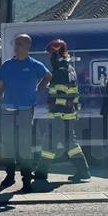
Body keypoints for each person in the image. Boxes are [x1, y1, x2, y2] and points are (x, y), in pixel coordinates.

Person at [0, 33, 51, 193]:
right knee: (8, 144)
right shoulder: (7, 65)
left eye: (20, 44)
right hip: (7, 109)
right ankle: (9, 176)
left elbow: (48, 76)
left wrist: (39, 87)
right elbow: (0, 87)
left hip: (26, 109)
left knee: (24, 145)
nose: (16, 47)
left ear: (28, 47)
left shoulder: (34, 64)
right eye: (15, 44)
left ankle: (26, 180)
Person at [35, 38, 91, 183]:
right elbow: (70, 93)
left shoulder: (59, 70)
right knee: (70, 144)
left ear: (56, 54)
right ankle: (83, 171)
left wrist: (55, 112)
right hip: (69, 114)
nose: (50, 58)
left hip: (59, 115)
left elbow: (60, 94)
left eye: (51, 54)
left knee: (49, 143)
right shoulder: (69, 68)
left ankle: (41, 173)